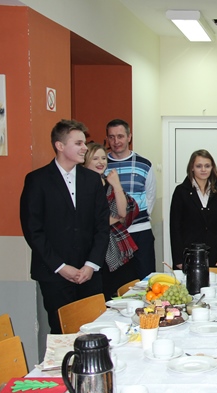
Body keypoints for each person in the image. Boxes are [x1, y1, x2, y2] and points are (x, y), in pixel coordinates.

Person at [20, 120, 109, 334]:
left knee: (93, 333)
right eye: (78, 143)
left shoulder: (92, 180)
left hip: (89, 273)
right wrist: (61, 266)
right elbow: (33, 230)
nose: (85, 148)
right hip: (54, 275)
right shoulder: (37, 180)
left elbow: (102, 226)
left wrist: (91, 264)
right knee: (62, 333)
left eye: (84, 143)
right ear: (60, 146)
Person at [84, 143, 139, 300]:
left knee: (125, 294)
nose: (101, 162)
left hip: (117, 247)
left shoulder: (109, 184)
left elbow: (122, 213)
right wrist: (108, 220)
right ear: (85, 161)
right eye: (95, 158)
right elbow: (86, 220)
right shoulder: (81, 186)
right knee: (100, 297)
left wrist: (116, 185)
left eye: (103, 158)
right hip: (92, 249)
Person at [105, 119, 156, 279]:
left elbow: (150, 196)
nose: (116, 141)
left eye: (120, 136)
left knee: (146, 280)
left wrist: (135, 217)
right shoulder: (101, 164)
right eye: (111, 137)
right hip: (112, 234)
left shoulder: (144, 164)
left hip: (140, 232)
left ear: (129, 137)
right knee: (117, 283)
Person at [170, 149, 217, 269]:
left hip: (214, 254)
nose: (203, 170)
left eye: (207, 166)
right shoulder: (181, 192)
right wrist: (178, 258)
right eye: (199, 166)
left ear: (212, 168)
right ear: (192, 168)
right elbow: (175, 228)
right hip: (189, 253)